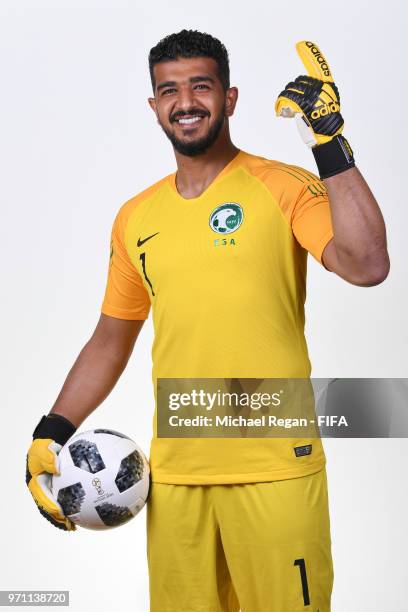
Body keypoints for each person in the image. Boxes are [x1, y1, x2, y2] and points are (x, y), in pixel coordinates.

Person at [26, 29, 390, 612]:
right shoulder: (135, 217)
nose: (185, 101)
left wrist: (329, 143)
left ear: (230, 97)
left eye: (201, 85)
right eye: (169, 90)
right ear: (153, 106)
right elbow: (110, 338)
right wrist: (52, 429)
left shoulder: (282, 186)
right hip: (174, 480)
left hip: (275, 468)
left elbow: (368, 264)